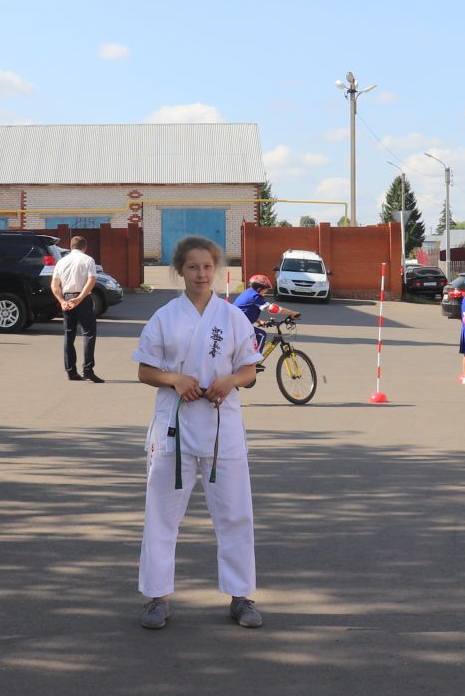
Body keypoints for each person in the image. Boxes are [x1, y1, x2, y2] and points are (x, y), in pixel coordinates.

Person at [132, 235, 263, 631]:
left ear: (217, 270)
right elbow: (145, 370)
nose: (201, 274)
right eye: (193, 267)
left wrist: (229, 382)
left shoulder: (232, 317)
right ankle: (157, 596)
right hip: (174, 427)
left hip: (222, 428)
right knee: (161, 514)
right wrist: (174, 379)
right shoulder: (164, 317)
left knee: (235, 513)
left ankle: (241, 595)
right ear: (180, 271)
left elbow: (250, 369)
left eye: (207, 267)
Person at [50, 235, 102, 383]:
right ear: (84, 247)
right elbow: (91, 281)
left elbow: (54, 285)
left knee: (69, 335)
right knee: (89, 333)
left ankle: (71, 371)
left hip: (66, 299)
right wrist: (79, 298)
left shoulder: (61, 261)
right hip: (82, 299)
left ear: (71, 246)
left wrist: (61, 301)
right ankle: (88, 370)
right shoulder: (88, 260)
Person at [231, 274, 293, 352]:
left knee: (251, 340)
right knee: (261, 334)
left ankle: (247, 357)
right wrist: (292, 313)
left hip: (234, 325)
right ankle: (254, 361)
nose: (266, 292)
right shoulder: (255, 296)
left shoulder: (247, 293)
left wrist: (259, 321)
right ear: (259, 289)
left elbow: (246, 311)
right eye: (265, 289)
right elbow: (273, 309)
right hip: (236, 326)